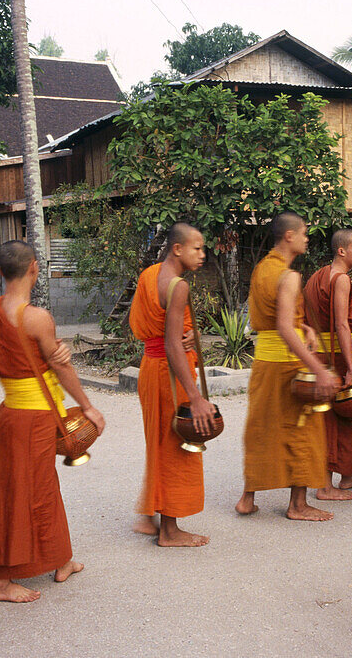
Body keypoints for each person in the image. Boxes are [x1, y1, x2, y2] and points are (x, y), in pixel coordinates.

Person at [0, 240, 105, 603]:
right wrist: (88, 405)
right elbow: (60, 366)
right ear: (34, 267)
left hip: (12, 412)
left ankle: (60, 559)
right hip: (35, 416)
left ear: (1, 272)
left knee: (41, 487)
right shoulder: (36, 317)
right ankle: (1, 582)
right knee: (22, 493)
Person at [235, 212, 339, 521]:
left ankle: (247, 498)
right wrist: (318, 369)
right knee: (303, 431)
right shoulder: (290, 276)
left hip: (264, 362)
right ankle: (298, 505)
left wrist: (303, 327)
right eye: (304, 232)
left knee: (261, 428)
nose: (307, 238)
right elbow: (283, 326)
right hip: (288, 366)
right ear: (289, 236)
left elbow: (273, 321)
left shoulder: (262, 269)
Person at [130, 223, 215, 547]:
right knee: (176, 447)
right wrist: (195, 398)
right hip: (169, 374)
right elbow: (172, 345)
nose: (202, 254)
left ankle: (151, 514)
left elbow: (161, 333)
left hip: (150, 370)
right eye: (197, 248)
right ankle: (170, 530)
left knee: (158, 443)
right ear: (177, 249)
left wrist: (186, 336)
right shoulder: (178, 286)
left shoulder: (150, 274)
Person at [304, 228, 352, 501]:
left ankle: (347, 475)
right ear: (341, 251)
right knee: (333, 419)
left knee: (345, 417)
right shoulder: (340, 279)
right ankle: (324, 486)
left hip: (322, 355)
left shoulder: (318, 276)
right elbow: (342, 324)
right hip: (337, 357)